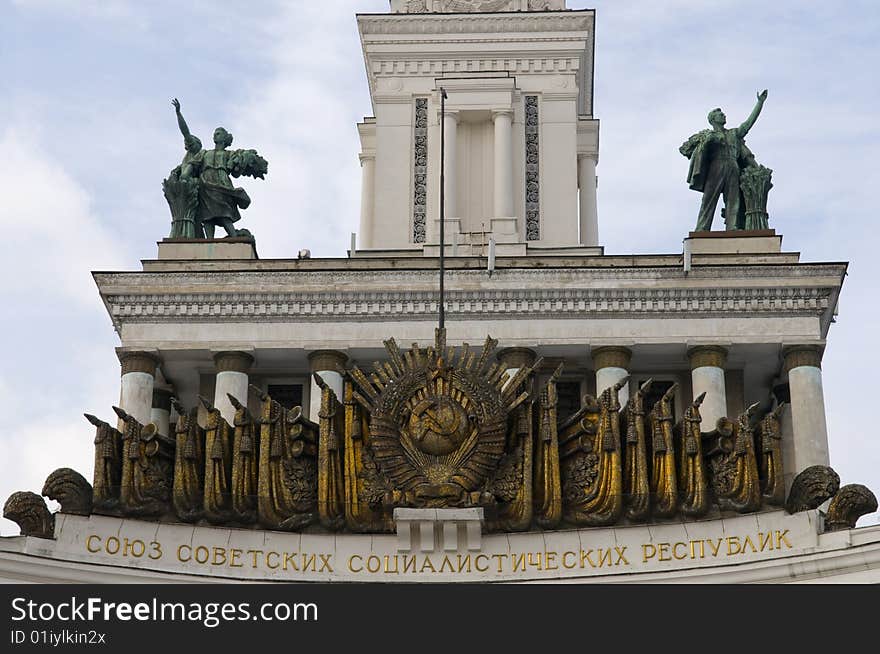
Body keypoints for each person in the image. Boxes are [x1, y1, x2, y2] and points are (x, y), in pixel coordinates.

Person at [681, 90, 768, 231]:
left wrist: (760, 103)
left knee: (733, 199)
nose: (724, 115)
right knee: (709, 198)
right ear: (713, 119)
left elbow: (748, 124)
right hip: (716, 166)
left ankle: (732, 226)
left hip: (733, 166)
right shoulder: (708, 135)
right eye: (720, 114)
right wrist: (709, 141)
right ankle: (702, 228)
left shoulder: (733, 133)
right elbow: (688, 150)